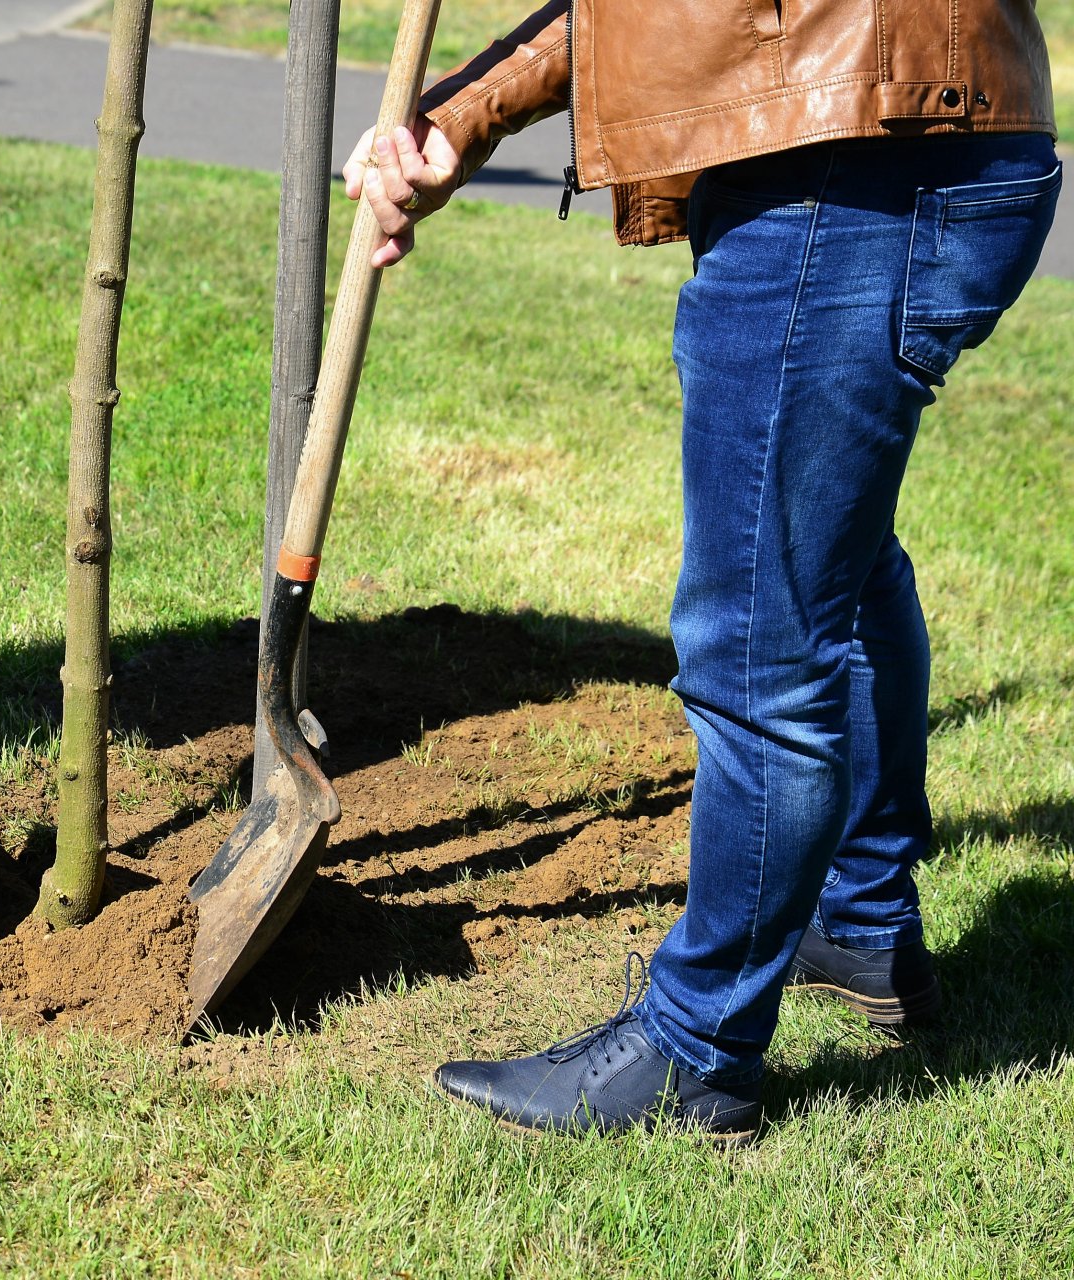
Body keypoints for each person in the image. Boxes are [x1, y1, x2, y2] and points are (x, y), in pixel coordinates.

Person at [345, 0, 1060, 1140]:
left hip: (846, 171)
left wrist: (465, 117)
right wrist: (465, 116)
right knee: (841, 566)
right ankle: (863, 923)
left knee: (760, 642)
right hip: (884, 143)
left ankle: (697, 1047)